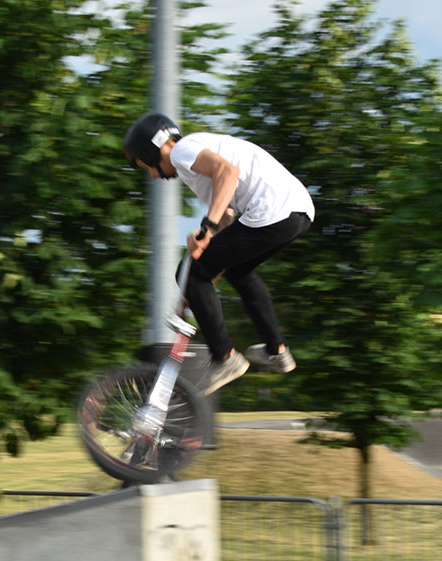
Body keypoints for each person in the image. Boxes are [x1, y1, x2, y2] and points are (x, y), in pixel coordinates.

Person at [124, 112, 315, 396]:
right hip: (298, 211)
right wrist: (194, 289)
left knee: (187, 268)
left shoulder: (182, 151)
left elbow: (229, 173)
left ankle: (225, 358)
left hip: (272, 210)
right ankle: (278, 350)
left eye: (146, 167)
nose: (153, 175)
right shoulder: (198, 159)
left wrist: (205, 229)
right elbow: (226, 217)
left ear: (152, 150)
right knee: (236, 270)